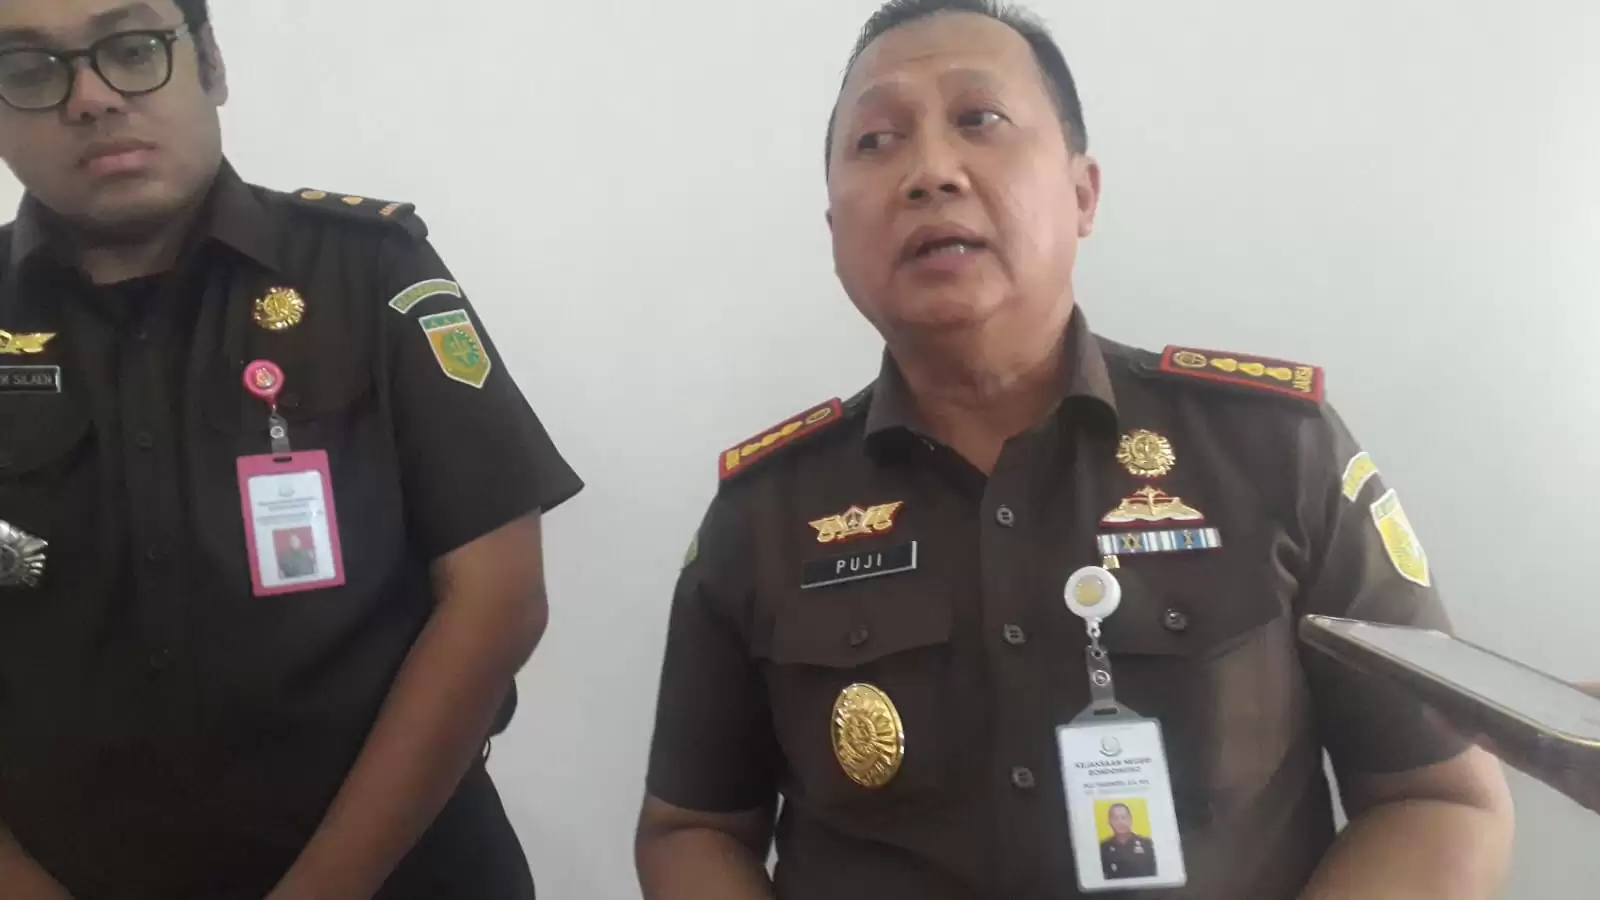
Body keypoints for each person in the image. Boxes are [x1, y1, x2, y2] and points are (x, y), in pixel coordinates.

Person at [635, 2, 1515, 898]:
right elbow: (691, 829)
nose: (929, 171)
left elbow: (1438, 798)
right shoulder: (764, 515)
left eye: (979, 118)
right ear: (834, 235)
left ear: (1083, 193)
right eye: (876, 141)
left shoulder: (1275, 452)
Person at [0, 1, 581, 898]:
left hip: (403, 877)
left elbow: (497, 599)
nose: (92, 98)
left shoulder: (371, 270)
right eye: (31, 71)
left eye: (132, 48)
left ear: (210, 63)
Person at [1098, 803, 1155, 880]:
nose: (1120, 822)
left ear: (1130, 819)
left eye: (1124, 817)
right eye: (1116, 818)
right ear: (1110, 822)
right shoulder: (1102, 848)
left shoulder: (1147, 844)